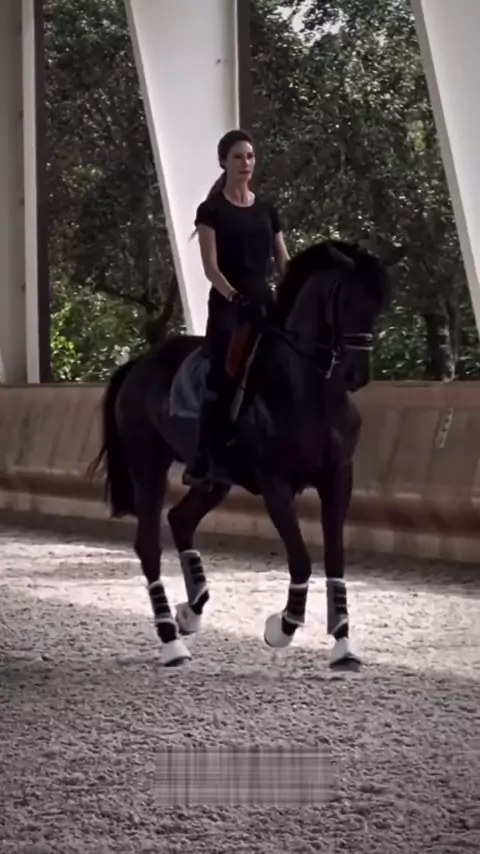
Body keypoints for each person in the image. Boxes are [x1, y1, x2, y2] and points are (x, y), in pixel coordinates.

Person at [183, 128, 290, 488]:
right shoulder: (211, 210)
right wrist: (234, 297)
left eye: (250, 156)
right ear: (223, 162)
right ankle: (202, 458)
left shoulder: (267, 210)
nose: (246, 163)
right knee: (224, 374)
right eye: (238, 157)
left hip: (264, 302)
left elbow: (283, 261)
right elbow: (211, 267)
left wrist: (294, 289)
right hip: (230, 305)